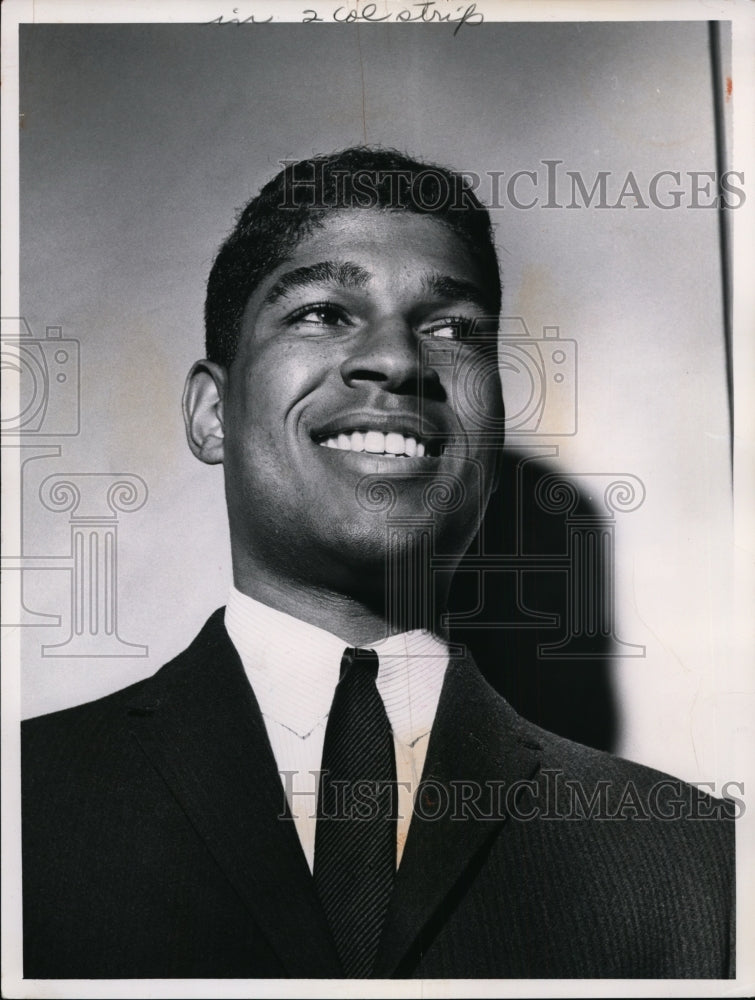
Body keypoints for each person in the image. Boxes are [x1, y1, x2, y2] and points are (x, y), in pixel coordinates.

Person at [22, 148, 735, 980]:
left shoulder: (695, 860)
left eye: (453, 329)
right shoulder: (22, 805)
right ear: (213, 413)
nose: (397, 360)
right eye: (323, 312)